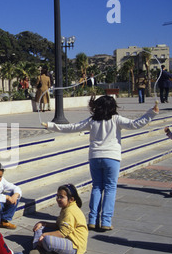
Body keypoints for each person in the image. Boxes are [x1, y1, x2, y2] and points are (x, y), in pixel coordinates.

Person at [42, 95, 159, 231]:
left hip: (95, 157)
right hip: (112, 158)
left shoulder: (92, 121)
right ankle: (106, 221)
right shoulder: (116, 119)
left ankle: (92, 219)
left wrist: (51, 125)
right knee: (110, 188)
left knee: (97, 187)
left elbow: (72, 127)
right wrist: (151, 113)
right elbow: (135, 124)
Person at [30, 184, 88, 254]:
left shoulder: (70, 211)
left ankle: (42, 250)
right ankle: (38, 249)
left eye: (61, 197)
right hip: (67, 237)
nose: (58, 199)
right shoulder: (66, 207)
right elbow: (58, 226)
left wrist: (44, 235)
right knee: (39, 227)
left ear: (71, 199)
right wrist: (43, 223)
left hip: (75, 245)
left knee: (47, 239)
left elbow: (63, 233)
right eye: (57, 196)